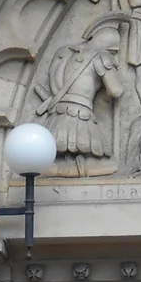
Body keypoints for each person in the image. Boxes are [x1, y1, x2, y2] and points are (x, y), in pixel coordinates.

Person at [33, 19, 126, 170]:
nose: (114, 57)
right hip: (79, 118)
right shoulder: (101, 56)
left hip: (55, 117)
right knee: (110, 166)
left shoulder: (63, 52)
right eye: (114, 52)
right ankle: (65, 171)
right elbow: (116, 90)